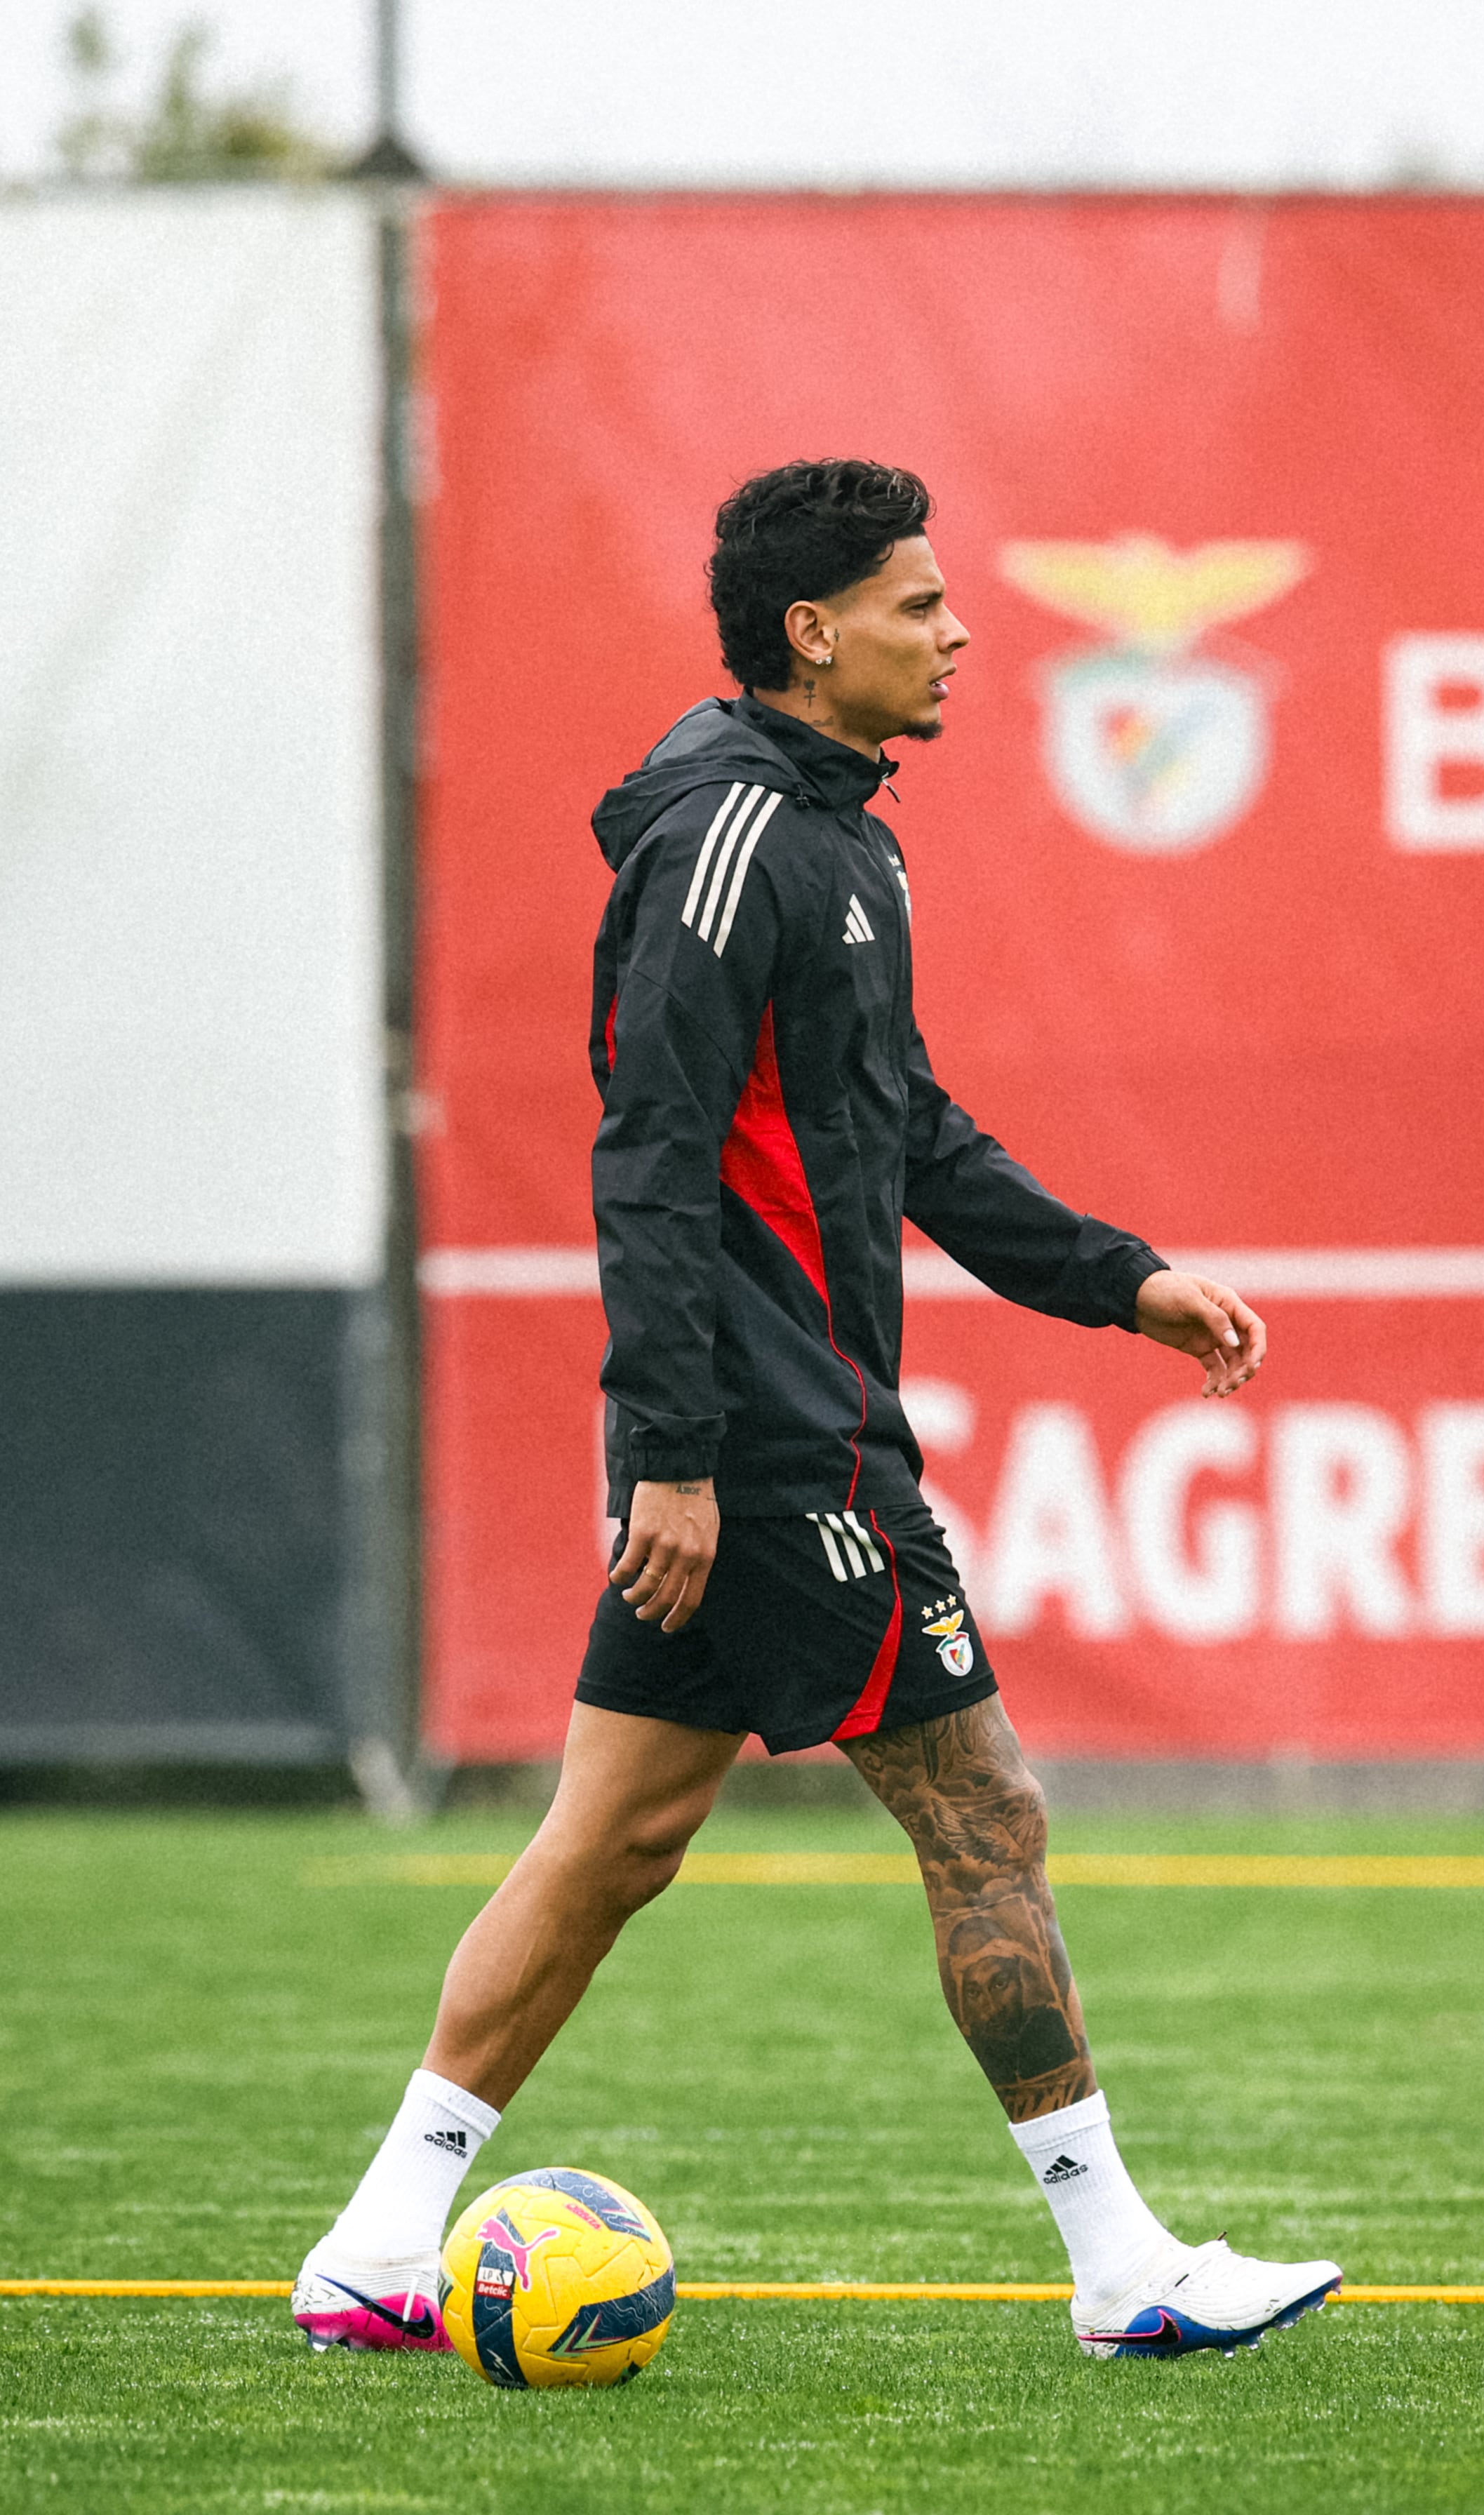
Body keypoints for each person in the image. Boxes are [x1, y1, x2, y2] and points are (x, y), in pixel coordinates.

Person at [292, 459, 1339, 2362]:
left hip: (774, 1435)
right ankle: (1121, 2271)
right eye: (921, 604)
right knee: (985, 1814)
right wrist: (674, 1454)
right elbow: (649, 1156)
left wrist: (1121, 1277)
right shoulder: (722, 842)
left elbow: (908, 1128)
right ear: (813, 629)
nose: (956, 634)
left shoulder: (854, 841)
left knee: (610, 1844)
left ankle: (374, 2246)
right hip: (780, 1451)